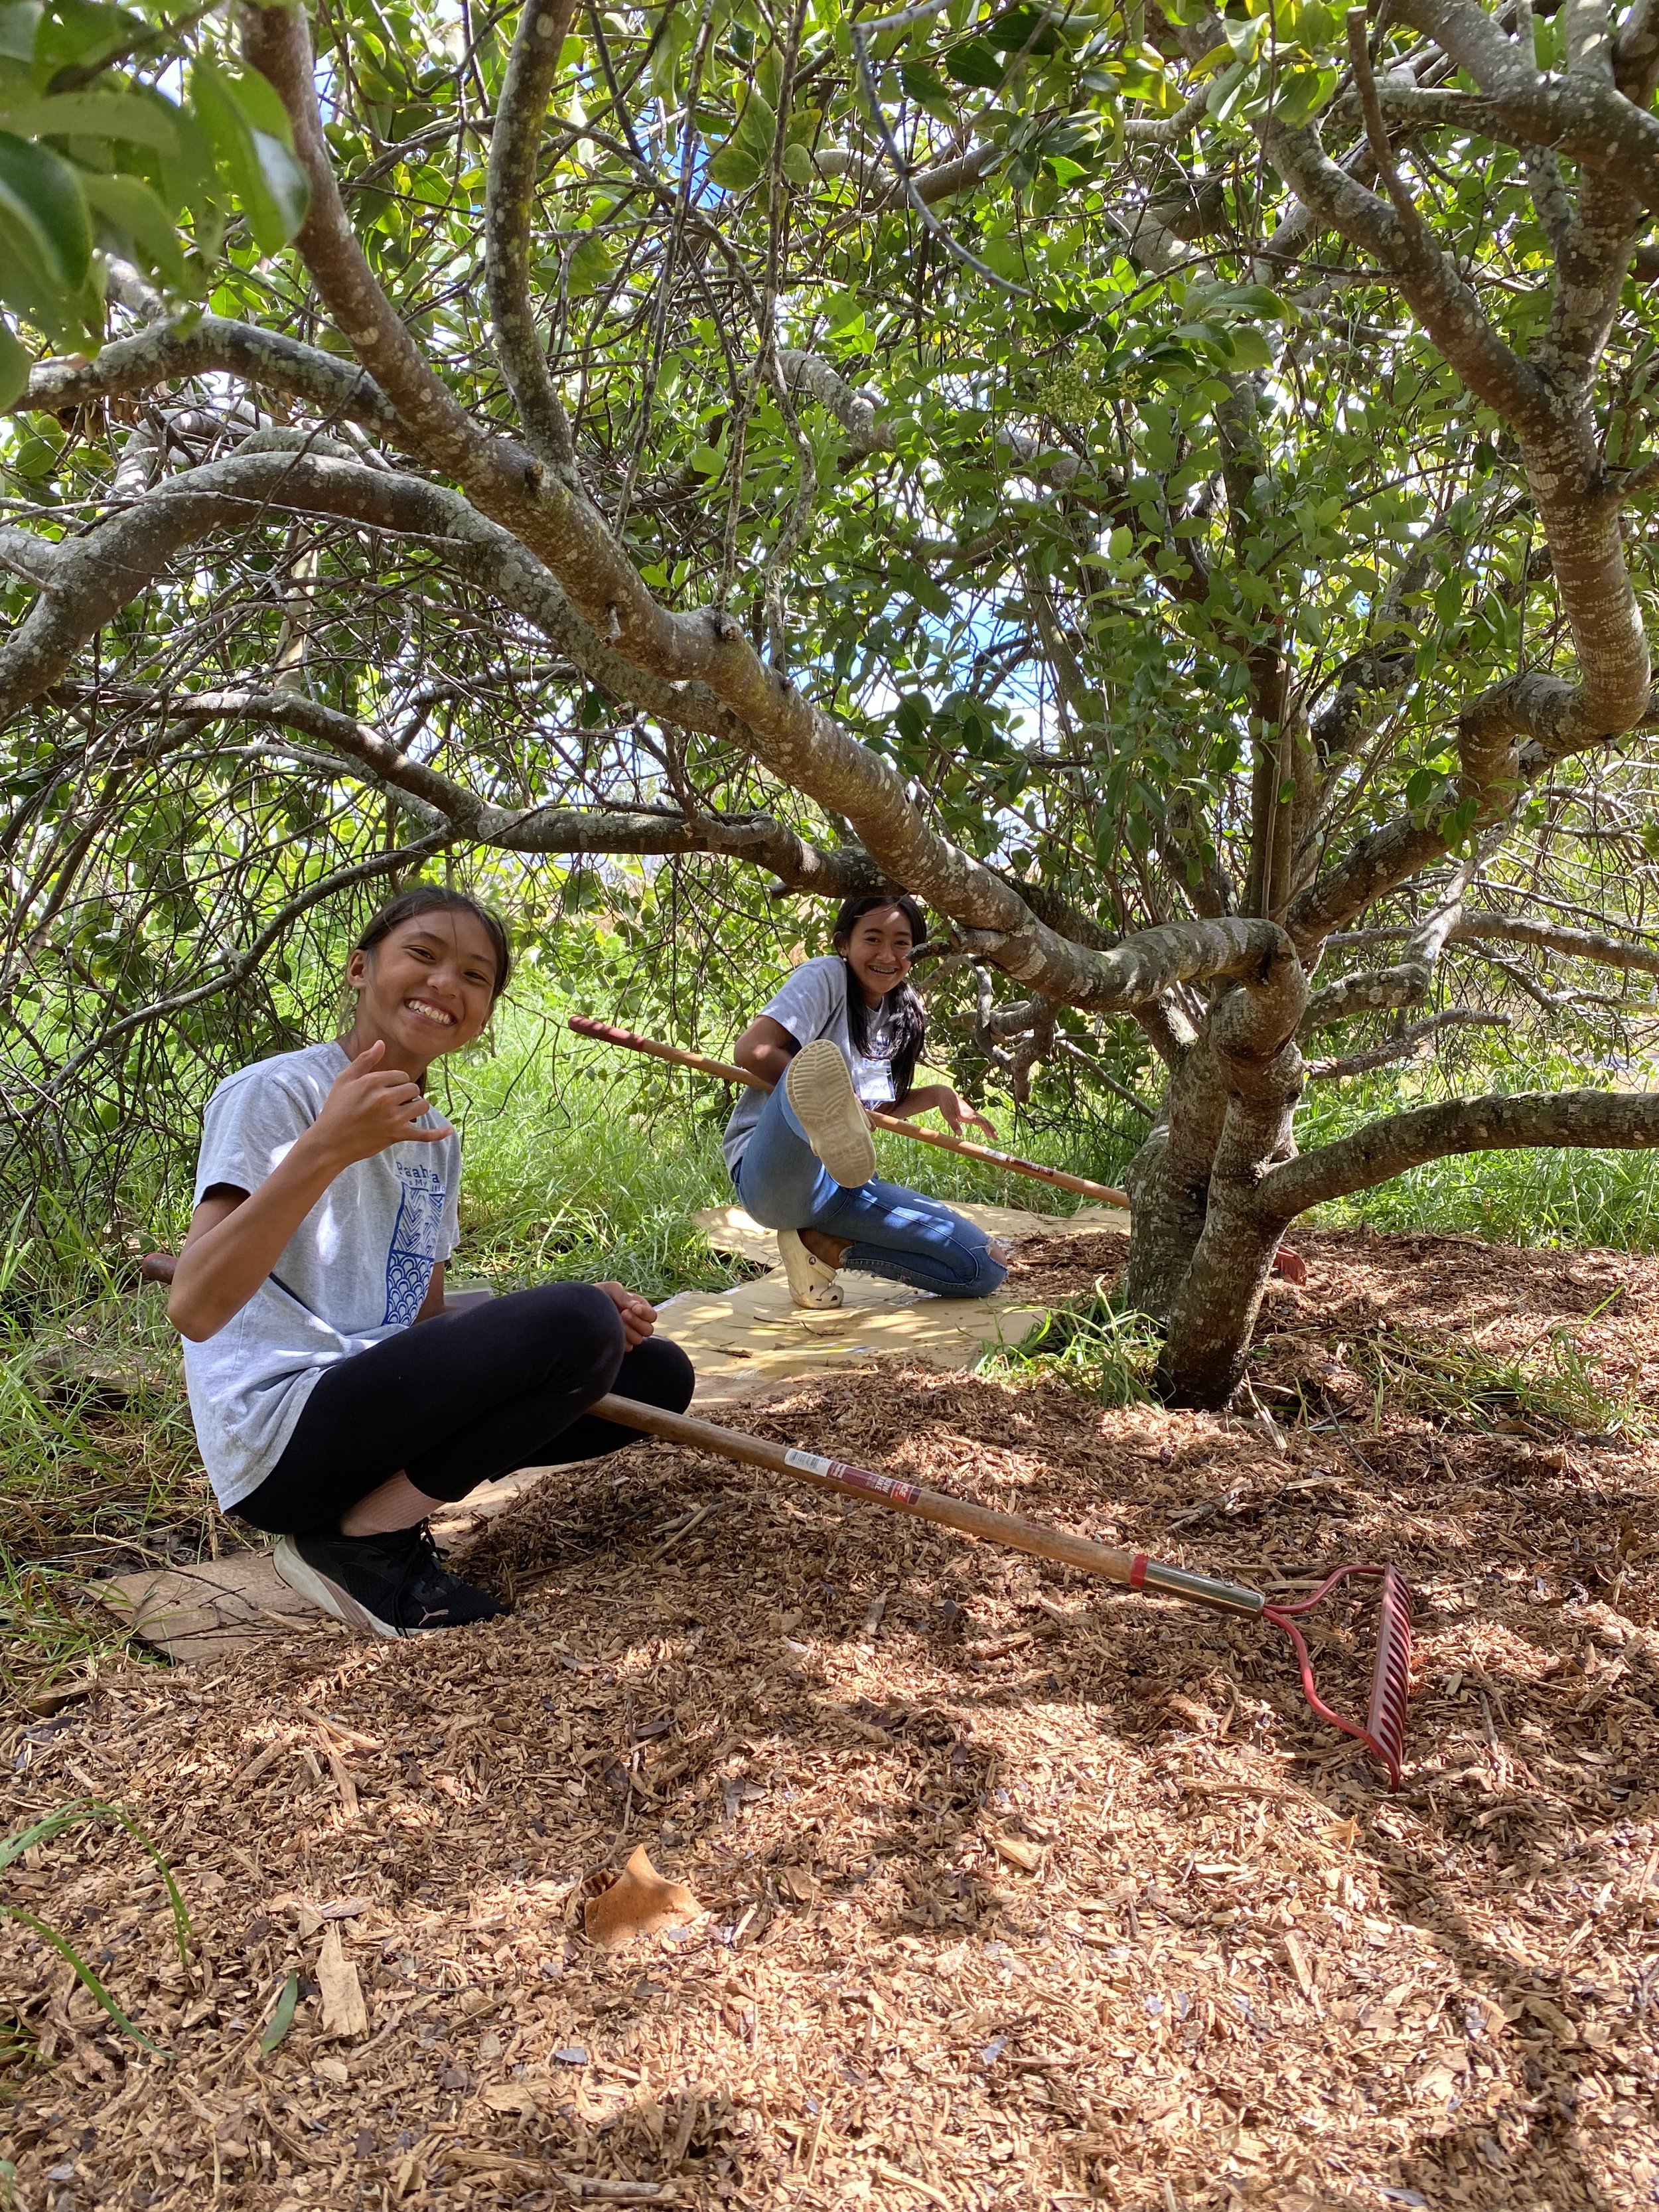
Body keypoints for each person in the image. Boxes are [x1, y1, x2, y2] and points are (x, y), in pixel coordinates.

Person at [167, 885, 694, 1638]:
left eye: (476, 976)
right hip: (282, 1441)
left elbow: (420, 1322)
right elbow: (193, 1307)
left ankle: (373, 1515)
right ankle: (360, 1545)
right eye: (422, 954)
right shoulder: (276, 1093)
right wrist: (325, 1148)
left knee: (654, 1373)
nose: (447, 983)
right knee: (575, 1322)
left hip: (371, 1406)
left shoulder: (435, 1136)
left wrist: (568, 1319)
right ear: (359, 969)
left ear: (482, 1015)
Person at [724, 895, 1013, 1310]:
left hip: (837, 1191)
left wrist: (937, 1095)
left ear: (916, 952)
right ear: (844, 944)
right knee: (810, 1074)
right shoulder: (825, 976)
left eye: (901, 943)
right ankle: (819, 1099)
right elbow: (753, 1051)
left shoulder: (904, 1010)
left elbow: (875, 1113)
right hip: (772, 1177)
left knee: (983, 1268)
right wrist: (838, 1099)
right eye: (873, 939)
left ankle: (825, 1245)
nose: (887, 955)